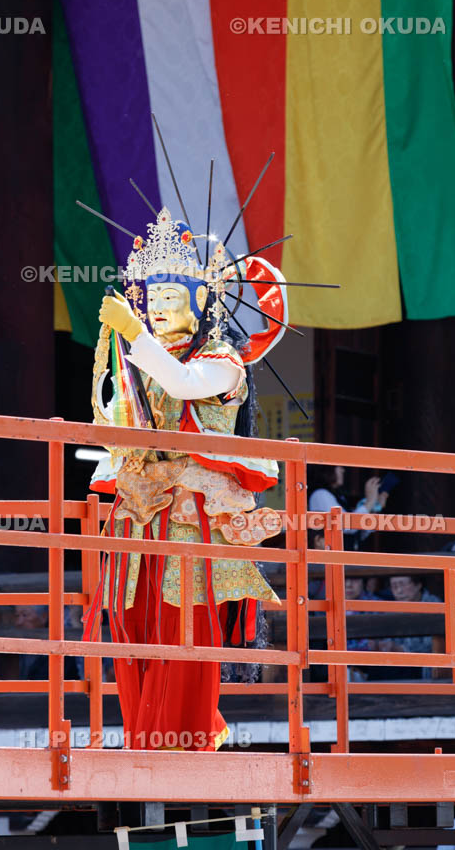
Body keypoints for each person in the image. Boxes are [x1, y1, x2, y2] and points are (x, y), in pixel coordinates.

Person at [83, 206, 288, 751]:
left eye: (173, 297)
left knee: (184, 625)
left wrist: (133, 340)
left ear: (201, 306)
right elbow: (117, 428)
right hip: (140, 510)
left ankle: (185, 736)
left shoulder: (223, 363)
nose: (158, 308)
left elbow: (180, 380)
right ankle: (142, 734)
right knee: (132, 622)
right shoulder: (141, 361)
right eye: (151, 300)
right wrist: (115, 354)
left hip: (192, 514)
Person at [307, 467, 389, 549]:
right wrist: (370, 501)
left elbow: (360, 533)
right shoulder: (320, 494)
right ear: (328, 469)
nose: (343, 470)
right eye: (338, 467)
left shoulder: (339, 497)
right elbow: (345, 525)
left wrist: (376, 508)